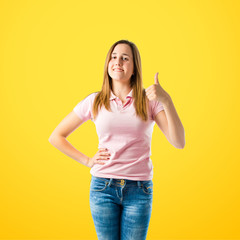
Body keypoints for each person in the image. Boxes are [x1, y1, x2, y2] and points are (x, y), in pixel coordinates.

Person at [49, 39, 185, 240]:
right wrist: (87, 161)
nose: (117, 61)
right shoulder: (95, 101)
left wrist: (166, 100)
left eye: (124, 58)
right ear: (107, 64)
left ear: (134, 68)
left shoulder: (149, 102)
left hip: (139, 190)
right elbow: (56, 136)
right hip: (103, 187)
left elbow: (178, 142)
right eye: (113, 57)